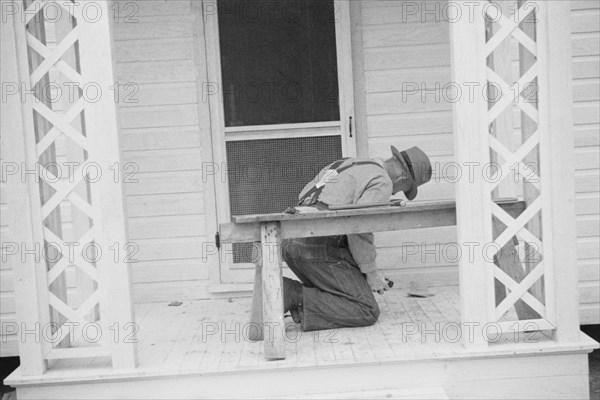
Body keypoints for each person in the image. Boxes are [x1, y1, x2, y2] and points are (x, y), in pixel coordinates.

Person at [281, 146, 432, 332]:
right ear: (404, 178)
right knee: (366, 309)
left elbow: (312, 197)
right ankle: (292, 294)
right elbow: (359, 228)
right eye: (404, 189)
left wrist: (364, 272)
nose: (394, 194)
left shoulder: (348, 163)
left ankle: (298, 302)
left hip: (292, 241)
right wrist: (371, 273)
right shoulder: (382, 181)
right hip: (316, 245)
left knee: (344, 292)